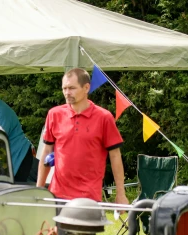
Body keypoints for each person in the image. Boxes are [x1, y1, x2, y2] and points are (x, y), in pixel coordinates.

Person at [36, 68, 129, 207]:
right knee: (54, 230)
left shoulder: (104, 117)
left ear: (86, 88)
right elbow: (47, 153)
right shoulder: (54, 114)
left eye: (72, 88)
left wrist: (121, 194)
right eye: (64, 88)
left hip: (89, 197)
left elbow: (115, 155)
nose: (67, 93)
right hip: (58, 195)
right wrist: (38, 190)